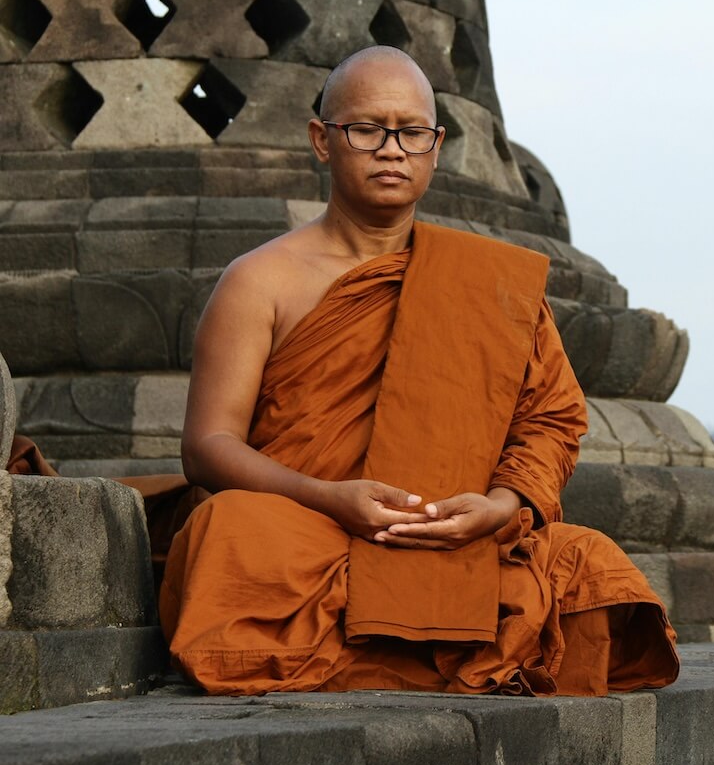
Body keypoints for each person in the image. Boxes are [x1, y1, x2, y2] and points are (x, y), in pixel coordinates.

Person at [157, 45, 679, 696]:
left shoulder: (491, 284)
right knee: (228, 531)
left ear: (435, 147)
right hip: (315, 526)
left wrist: (499, 505)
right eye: (367, 129)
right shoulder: (261, 281)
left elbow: (550, 420)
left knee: (591, 563)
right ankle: (447, 652)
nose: (391, 150)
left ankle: (390, 647)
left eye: (411, 133)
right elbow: (208, 447)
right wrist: (330, 499)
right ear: (323, 141)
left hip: (456, 536)